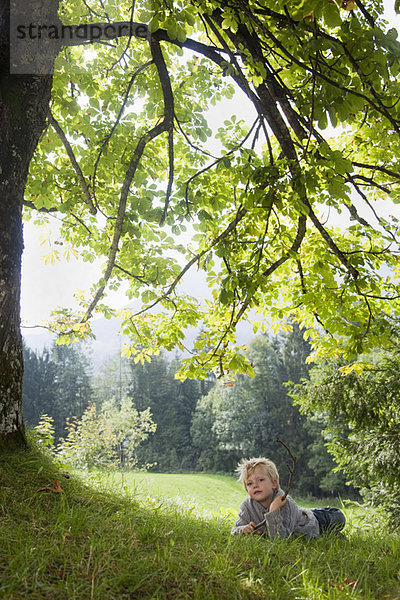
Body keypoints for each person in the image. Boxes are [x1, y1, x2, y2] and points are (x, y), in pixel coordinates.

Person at [231, 457, 346, 538]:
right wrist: (242, 530)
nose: (255, 485)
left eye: (260, 480)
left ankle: (326, 522)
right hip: (298, 514)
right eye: (249, 483)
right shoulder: (247, 506)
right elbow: (234, 530)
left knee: (339, 518)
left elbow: (281, 538)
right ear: (247, 489)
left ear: (274, 484)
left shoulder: (284, 501)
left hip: (315, 521)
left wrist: (274, 510)